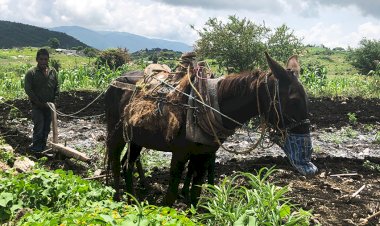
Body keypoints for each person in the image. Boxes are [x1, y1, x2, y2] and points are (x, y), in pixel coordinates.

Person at [24, 48, 59, 152]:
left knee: (46, 128)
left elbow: (57, 87)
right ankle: (36, 148)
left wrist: (55, 100)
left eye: (45, 59)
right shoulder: (31, 73)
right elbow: (28, 89)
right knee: (39, 127)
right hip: (37, 106)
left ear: (48, 60)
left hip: (50, 106)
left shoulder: (53, 72)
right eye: (41, 59)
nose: (43, 61)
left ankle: (43, 146)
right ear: (37, 60)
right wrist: (38, 103)